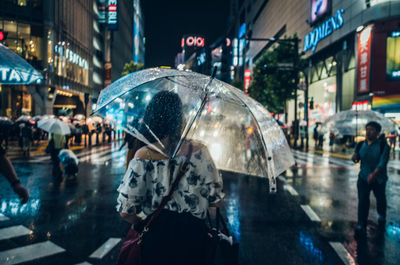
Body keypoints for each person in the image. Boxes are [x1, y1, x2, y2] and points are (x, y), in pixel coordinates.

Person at [116, 91, 224, 265]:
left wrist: (143, 223)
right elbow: (216, 201)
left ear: (151, 118)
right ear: (179, 118)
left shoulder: (144, 155)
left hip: (156, 241)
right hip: (194, 240)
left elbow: (126, 211)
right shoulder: (201, 150)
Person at [351, 121, 390, 238]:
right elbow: (356, 158)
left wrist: (374, 174)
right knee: (363, 200)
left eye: (372, 129)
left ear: (377, 132)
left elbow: (383, 162)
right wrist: (354, 157)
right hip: (363, 177)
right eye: (367, 129)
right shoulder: (360, 144)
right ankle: (361, 224)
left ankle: (382, 217)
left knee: (380, 199)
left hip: (379, 179)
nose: (368, 132)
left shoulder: (383, 146)